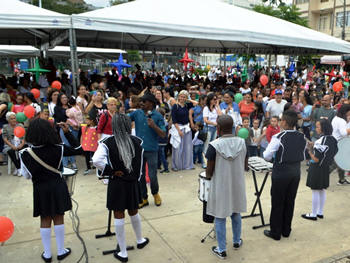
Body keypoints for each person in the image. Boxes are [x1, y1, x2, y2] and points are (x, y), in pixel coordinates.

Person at [19, 119, 83, 262]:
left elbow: (26, 175)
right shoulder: (59, 148)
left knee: (45, 218)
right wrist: (68, 133)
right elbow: (79, 149)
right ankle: (61, 251)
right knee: (58, 216)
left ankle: (47, 254)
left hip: (40, 189)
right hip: (58, 186)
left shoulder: (24, 153)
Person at [92, 114, 149, 262]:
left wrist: (111, 171)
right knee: (133, 210)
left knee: (119, 214)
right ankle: (140, 239)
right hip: (132, 182)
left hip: (117, 182)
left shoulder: (107, 142)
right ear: (128, 125)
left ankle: (123, 252)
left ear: (115, 126)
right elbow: (141, 166)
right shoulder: (137, 141)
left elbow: (96, 160)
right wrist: (135, 178)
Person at [206, 115, 247, 260]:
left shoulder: (214, 145)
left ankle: (221, 249)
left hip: (221, 185)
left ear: (218, 128)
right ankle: (236, 241)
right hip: (237, 184)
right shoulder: (242, 142)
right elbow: (245, 165)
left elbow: (209, 171)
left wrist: (208, 177)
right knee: (236, 212)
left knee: (220, 215)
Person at [263, 110, 307, 241]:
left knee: (277, 202)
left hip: (281, 173)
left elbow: (266, 155)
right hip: (295, 172)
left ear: (284, 122)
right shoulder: (301, 136)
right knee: (290, 201)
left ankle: (276, 232)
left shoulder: (279, 137)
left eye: (281, 120)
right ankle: (286, 230)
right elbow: (303, 155)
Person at [129, 93, 166, 208]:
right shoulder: (137, 113)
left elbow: (163, 134)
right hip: (139, 150)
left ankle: (155, 194)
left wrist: (154, 126)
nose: (141, 103)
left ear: (150, 103)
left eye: (144, 102)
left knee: (152, 175)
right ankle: (143, 198)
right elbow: (125, 118)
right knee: (140, 175)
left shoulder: (158, 116)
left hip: (152, 150)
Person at [301, 119, 338, 220]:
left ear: (323, 128)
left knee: (315, 190)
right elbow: (328, 151)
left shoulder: (320, 141)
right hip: (326, 167)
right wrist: (314, 145)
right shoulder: (333, 139)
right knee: (322, 189)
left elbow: (316, 159)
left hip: (316, 168)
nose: (316, 128)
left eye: (317, 127)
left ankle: (313, 214)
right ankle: (320, 212)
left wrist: (309, 151)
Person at [170, 90, 194, 171]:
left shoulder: (187, 105)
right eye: (181, 96)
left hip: (186, 128)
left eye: (184, 97)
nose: (182, 98)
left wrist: (188, 99)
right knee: (177, 147)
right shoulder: (175, 106)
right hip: (178, 128)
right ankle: (176, 165)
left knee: (187, 147)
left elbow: (196, 103)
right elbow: (174, 119)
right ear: (178, 97)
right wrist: (179, 131)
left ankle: (186, 165)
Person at [330, 104, 350, 185]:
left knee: (340, 162)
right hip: (339, 144)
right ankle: (320, 178)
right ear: (346, 111)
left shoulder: (336, 118)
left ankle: (341, 180)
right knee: (335, 164)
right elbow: (344, 133)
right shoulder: (341, 121)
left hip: (336, 143)